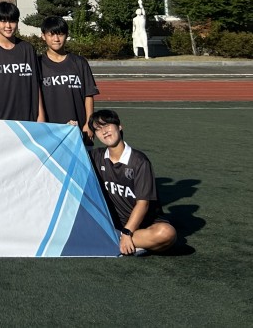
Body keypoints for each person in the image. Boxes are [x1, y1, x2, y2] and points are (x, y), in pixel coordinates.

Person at [89, 109, 177, 255]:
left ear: (119, 126)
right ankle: (130, 243)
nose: (104, 131)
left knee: (167, 233)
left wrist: (127, 232)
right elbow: (70, 151)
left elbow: (143, 204)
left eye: (107, 125)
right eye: (98, 129)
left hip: (144, 225)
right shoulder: (96, 156)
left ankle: (118, 240)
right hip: (115, 224)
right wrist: (71, 129)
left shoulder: (139, 161)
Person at [0, 2, 44, 122]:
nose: (8, 26)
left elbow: (35, 83)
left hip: (29, 118)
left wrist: (41, 114)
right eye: (3, 21)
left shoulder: (28, 48)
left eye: (12, 21)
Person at [38, 16, 98, 144]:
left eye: (60, 34)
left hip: (79, 128)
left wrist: (89, 123)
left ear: (67, 35)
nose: (56, 39)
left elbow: (89, 95)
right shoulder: (38, 64)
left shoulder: (79, 62)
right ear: (43, 36)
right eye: (51, 35)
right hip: (50, 130)